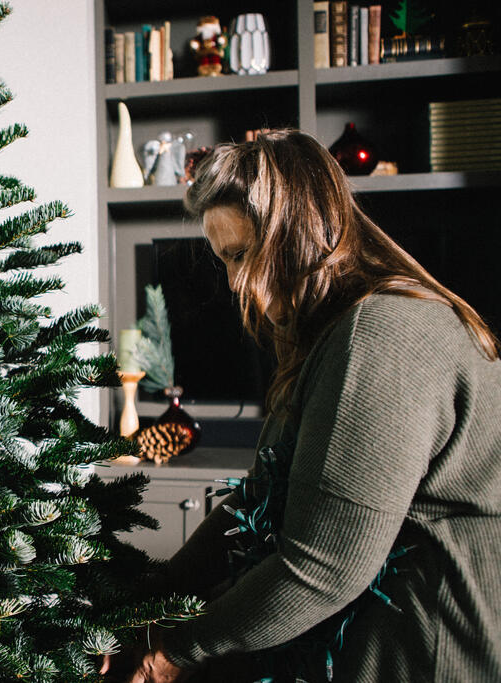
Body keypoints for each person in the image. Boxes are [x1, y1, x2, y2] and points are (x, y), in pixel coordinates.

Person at [102, 129, 501, 682]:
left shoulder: (382, 330)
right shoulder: (325, 332)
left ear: (298, 231)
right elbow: (257, 499)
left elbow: (323, 566)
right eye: (225, 261)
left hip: (431, 653)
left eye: (243, 254)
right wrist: (145, 611)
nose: (238, 282)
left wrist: (172, 653)